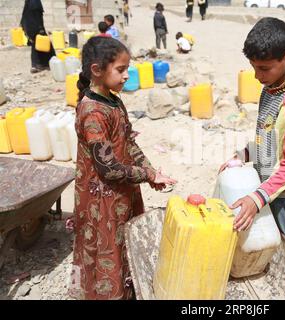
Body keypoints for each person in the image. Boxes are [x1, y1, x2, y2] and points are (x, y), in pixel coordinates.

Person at [69, 36, 177, 299]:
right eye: (120, 70)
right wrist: (144, 174)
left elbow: (128, 144)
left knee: (123, 245)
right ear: (97, 70)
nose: (127, 76)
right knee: (106, 251)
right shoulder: (93, 112)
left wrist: (152, 172)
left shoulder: (114, 101)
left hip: (121, 194)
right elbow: (108, 168)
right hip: (101, 201)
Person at [219, 18, 285, 262]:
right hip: (269, 187)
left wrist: (256, 198)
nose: (257, 75)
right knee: (274, 243)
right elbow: (267, 138)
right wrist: (243, 155)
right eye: (253, 67)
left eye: (264, 68)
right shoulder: (271, 86)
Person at [20, 0, 56, 74]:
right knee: (44, 44)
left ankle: (38, 65)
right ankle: (45, 64)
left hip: (29, 27)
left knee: (36, 45)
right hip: (35, 27)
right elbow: (37, 17)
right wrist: (40, 28)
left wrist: (24, 27)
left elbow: (24, 17)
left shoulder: (29, 2)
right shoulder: (35, 2)